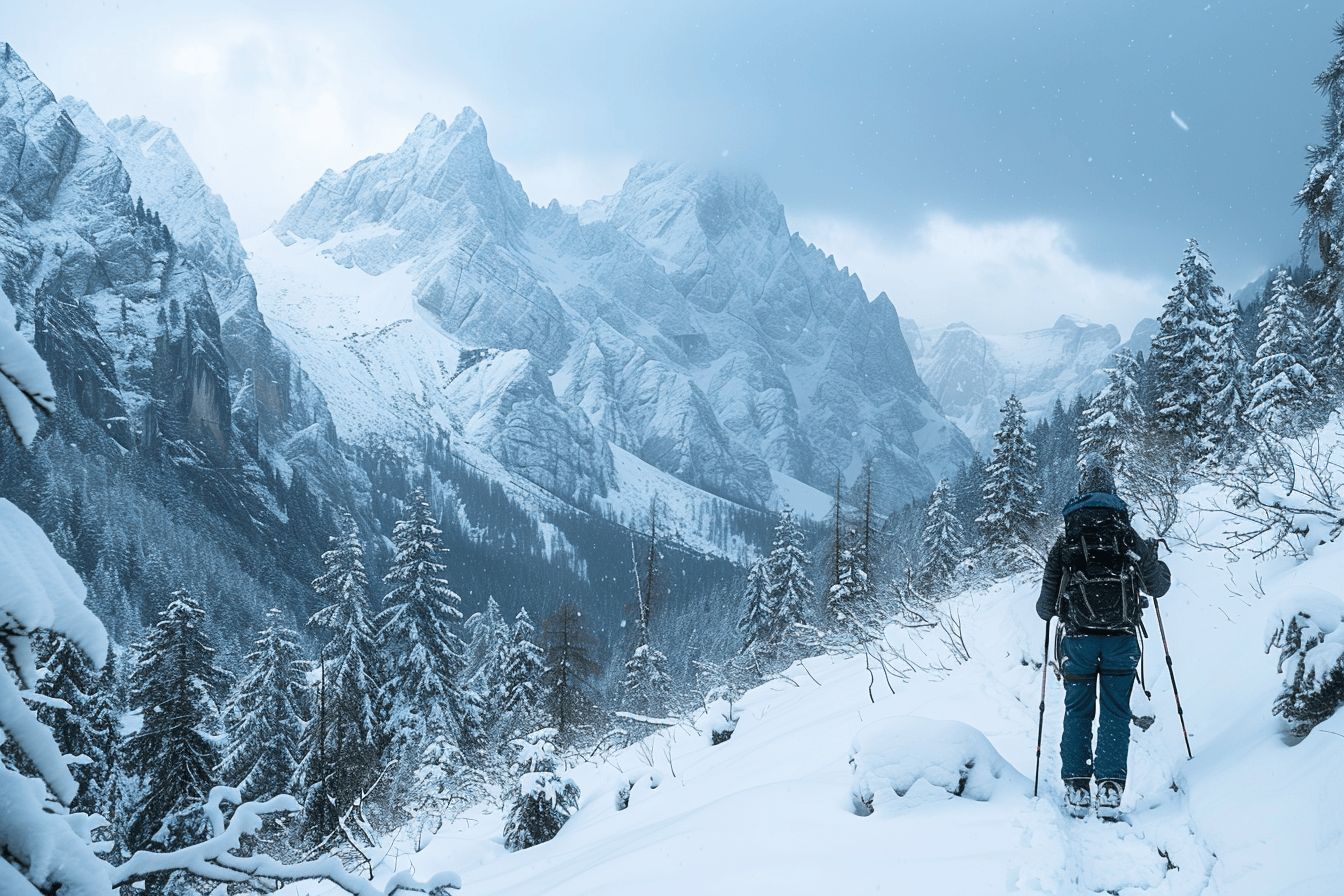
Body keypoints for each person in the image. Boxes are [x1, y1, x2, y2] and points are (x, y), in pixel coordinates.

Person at [1036, 452, 1170, 819]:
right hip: (1121, 641)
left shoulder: (1067, 541)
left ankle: (1077, 786)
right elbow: (1158, 587)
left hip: (1078, 640)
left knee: (1077, 710)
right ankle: (1110, 788)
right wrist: (1154, 561)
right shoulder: (1127, 536)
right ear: (1113, 490)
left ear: (1081, 490)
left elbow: (1045, 608)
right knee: (1115, 712)